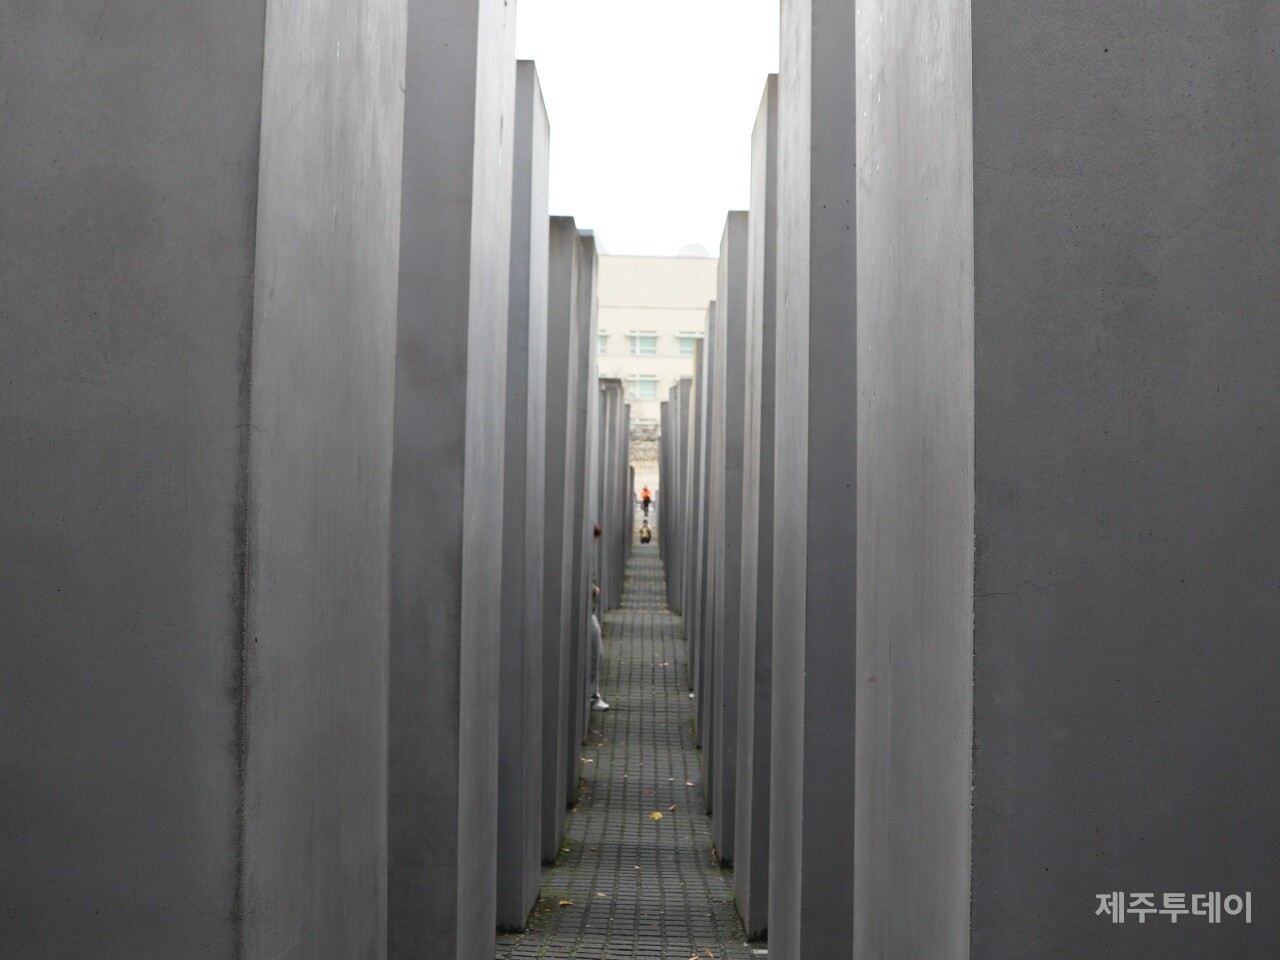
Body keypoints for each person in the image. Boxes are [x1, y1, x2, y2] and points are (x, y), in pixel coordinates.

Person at [589, 524, 610, 711]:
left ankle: (592, 695)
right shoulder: (585, 553)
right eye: (595, 539)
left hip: (590, 612)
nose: (595, 543)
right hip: (587, 614)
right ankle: (592, 697)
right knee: (595, 654)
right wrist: (593, 589)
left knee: (597, 653)